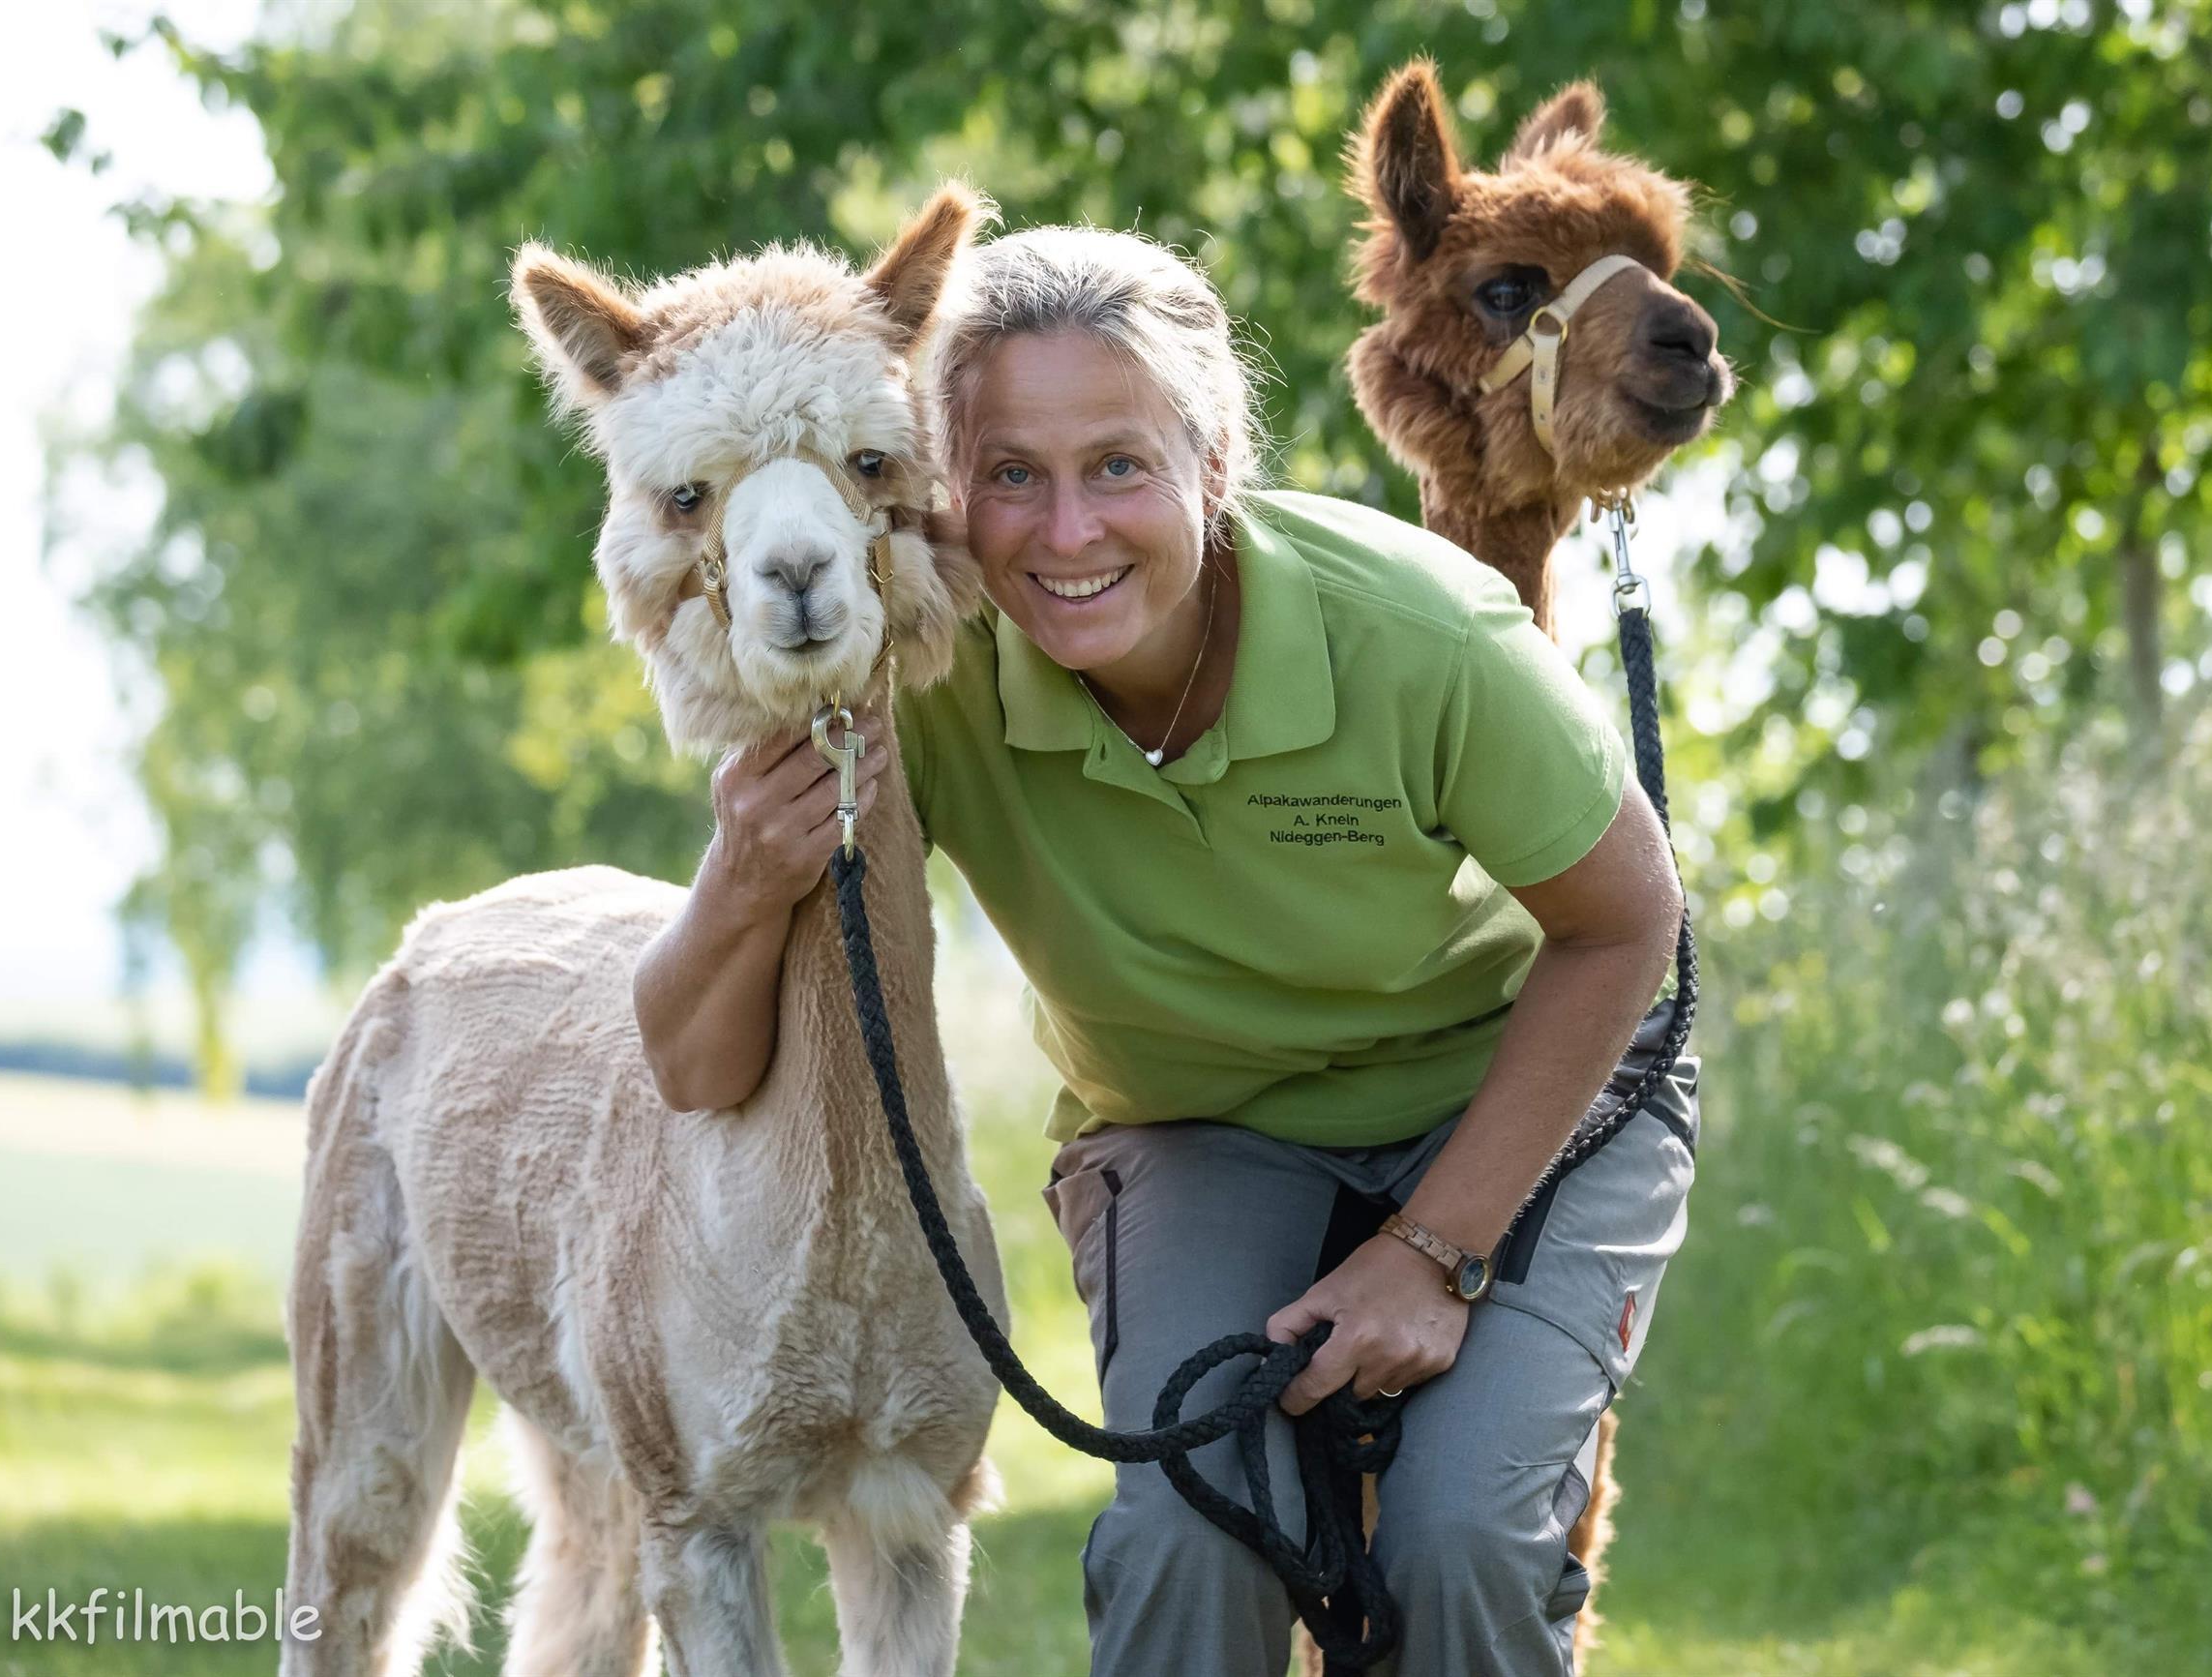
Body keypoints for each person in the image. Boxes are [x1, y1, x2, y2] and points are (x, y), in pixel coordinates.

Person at [632, 225, 1698, 1676]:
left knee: (1460, 1541)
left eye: (1118, 465)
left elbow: (1630, 921)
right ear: (950, 494)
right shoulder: (927, 678)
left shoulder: (1421, 634)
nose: (1066, 534)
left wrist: (1435, 1251)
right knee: (1192, 1532)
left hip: (1521, 1086)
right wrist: (743, 880)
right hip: (1199, 1128)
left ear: (1212, 463)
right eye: (1010, 475)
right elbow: (696, 1063)